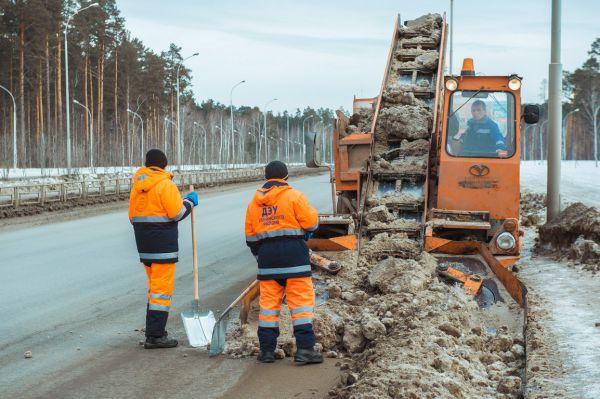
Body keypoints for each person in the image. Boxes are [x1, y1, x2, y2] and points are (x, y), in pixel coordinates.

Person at [244, 160, 322, 364]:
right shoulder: (295, 196)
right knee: (301, 306)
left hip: (268, 260)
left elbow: (250, 238)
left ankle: (267, 352)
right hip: (295, 258)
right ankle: (305, 349)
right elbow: (312, 223)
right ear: (286, 177)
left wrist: (260, 255)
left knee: (268, 307)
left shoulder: (254, 202)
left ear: (266, 178)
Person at [128, 149, 198, 349]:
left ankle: (155, 331)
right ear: (164, 165)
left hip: (144, 246)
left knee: (154, 288)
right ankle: (155, 336)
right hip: (163, 246)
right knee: (161, 291)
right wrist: (190, 202)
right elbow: (177, 213)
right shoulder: (165, 184)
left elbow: (132, 216)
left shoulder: (137, 187)